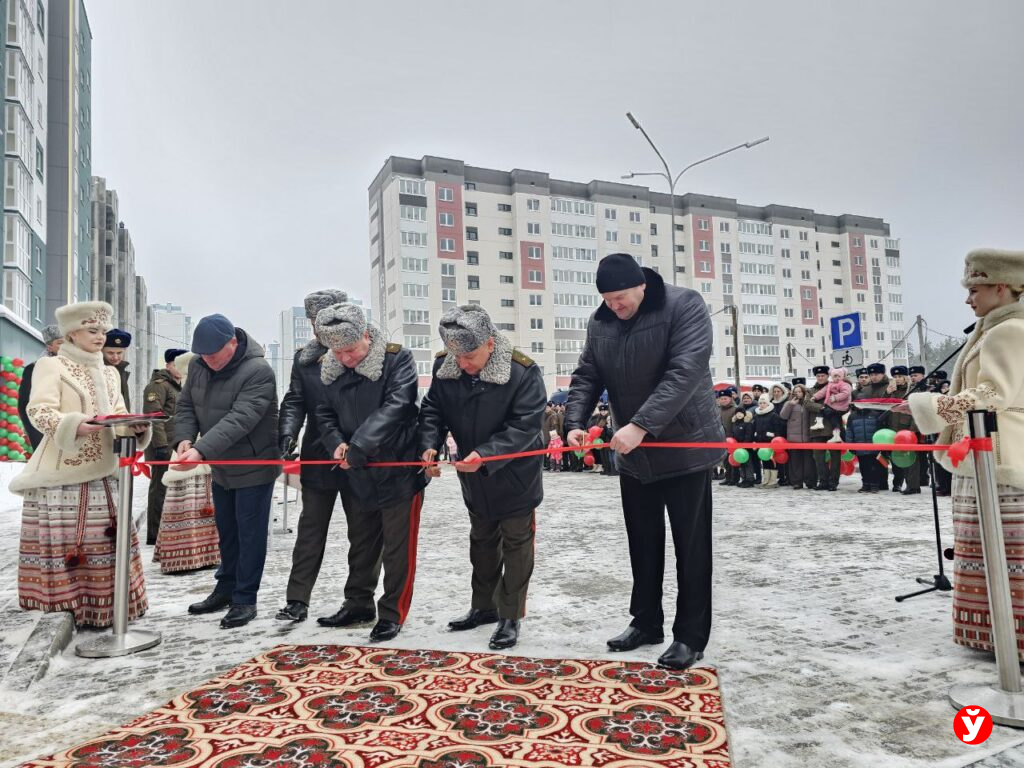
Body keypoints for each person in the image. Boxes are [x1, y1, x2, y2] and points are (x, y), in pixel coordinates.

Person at [565, 253, 724, 671]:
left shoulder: (683, 305)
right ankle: (646, 622)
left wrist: (640, 425)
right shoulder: (600, 323)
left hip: (684, 446)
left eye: (619, 298)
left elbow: (685, 372)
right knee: (643, 540)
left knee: (691, 546)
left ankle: (690, 636)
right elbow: (586, 376)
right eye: (607, 299)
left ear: (641, 286)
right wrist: (574, 422)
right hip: (634, 452)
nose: (614, 306)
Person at [904, 248, 1024, 659]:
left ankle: (1011, 640)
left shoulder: (1009, 331)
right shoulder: (993, 328)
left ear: (1002, 287)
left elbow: (994, 394)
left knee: (1006, 554)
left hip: (1002, 457)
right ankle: (997, 636)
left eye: (975, 288)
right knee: (987, 550)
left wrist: (931, 407)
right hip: (985, 453)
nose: (968, 298)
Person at [11, 301, 151, 627]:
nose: (100, 337)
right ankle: (70, 607)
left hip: (106, 472)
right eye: (93, 330)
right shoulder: (52, 366)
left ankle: (109, 609)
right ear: (72, 333)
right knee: (71, 544)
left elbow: (116, 414)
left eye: (102, 330)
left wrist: (134, 426)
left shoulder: (110, 372)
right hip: (63, 473)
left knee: (106, 541)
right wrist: (74, 424)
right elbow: (40, 411)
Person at [418, 305, 546, 651]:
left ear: (490, 344)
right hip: (473, 476)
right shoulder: (446, 367)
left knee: (516, 544)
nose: (463, 364)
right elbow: (432, 409)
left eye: (470, 356)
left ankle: (510, 615)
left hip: (513, 472)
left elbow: (525, 426)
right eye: (457, 356)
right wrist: (429, 445)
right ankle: (483, 606)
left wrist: (487, 455)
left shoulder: (523, 372)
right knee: (482, 542)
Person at [313, 303, 426, 643]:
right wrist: (336, 444)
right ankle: (358, 603)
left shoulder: (396, 359)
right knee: (361, 543)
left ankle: (392, 612)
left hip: (398, 469)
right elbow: (323, 412)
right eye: (338, 351)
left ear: (365, 336)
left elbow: (398, 406)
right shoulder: (330, 367)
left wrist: (359, 446)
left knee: (397, 548)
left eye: (350, 350)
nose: (345, 358)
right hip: (355, 471)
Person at [175, 314, 279, 630]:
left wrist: (202, 450)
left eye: (215, 355)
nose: (210, 362)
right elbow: (186, 406)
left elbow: (240, 419)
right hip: (221, 465)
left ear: (232, 342)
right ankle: (225, 588)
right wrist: (184, 438)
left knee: (250, 535)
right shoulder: (198, 366)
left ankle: (245, 599)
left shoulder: (258, 371)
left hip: (253, 464)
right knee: (227, 532)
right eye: (203, 357)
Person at [275, 289, 349, 624]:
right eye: (313, 321)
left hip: (356, 455)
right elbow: (295, 400)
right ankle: (297, 599)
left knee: (362, 532)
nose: (319, 327)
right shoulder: (304, 358)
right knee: (310, 531)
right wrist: (287, 431)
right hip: (318, 455)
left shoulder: (358, 350)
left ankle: (357, 600)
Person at [153, 353, 220, 574]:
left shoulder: (209, 388)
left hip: (205, 451)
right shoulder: (186, 391)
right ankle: (184, 556)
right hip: (187, 451)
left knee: (204, 500)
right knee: (186, 499)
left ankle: (206, 553)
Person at [141, 348, 188, 545]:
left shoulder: (179, 387)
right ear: (168, 365)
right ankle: (155, 534)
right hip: (162, 445)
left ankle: (168, 531)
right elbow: (154, 417)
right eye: (177, 364)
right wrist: (160, 445)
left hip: (175, 445)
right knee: (159, 489)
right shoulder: (158, 386)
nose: (182, 369)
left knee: (172, 489)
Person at [18, 324, 63, 450]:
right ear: (50, 346)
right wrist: (37, 436)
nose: (65, 346)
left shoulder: (75, 368)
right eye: (60, 342)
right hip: (44, 430)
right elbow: (24, 404)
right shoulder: (34, 368)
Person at [886, 365, 921, 495]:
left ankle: (913, 485)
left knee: (911, 458)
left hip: (908, 428)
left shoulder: (912, 391)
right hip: (894, 428)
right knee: (899, 458)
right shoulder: (892, 392)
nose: (898, 379)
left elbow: (916, 412)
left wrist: (912, 429)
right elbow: (886, 407)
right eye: (895, 377)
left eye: (900, 376)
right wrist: (888, 393)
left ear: (906, 377)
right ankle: (901, 484)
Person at [805, 365, 840, 491]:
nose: (820, 378)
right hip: (816, 428)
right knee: (818, 457)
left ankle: (833, 482)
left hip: (833, 427)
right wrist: (822, 408)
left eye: (823, 376)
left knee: (835, 457)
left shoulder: (835, 387)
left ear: (827, 376)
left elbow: (841, 401)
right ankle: (823, 481)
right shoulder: (810, 391)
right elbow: (807, 403)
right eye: (818, 376)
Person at [781, 384, 813, 489]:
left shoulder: (808, 403)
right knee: (795, 462)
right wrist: (790, 404)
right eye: (796, 392)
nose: (798, 393)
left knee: (808, 462)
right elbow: (783, 416)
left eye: (800, 391)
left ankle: (809, 481)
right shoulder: (789, 403)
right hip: (794, 439)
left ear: (804, 392)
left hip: (807, 437)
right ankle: (797, 482)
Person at [812, 367, 852, 442]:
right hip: (834, 406)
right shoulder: (830, 384)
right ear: (832, 377)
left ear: (842, 376)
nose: (837, 378)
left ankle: (820, 422)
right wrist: (815, 397)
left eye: (839, 376)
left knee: (823, 409)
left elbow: (846, 393)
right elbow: (823, 392)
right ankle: (836, 435)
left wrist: (835, 397)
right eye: (835, 376)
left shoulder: (844, 384)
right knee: (835, 421)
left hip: (840, 406)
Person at [102, 329, 133, 411]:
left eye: (119, 353)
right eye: (110, 353)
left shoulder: (122, 371)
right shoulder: (99, 371)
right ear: (102, 351)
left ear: (125, 351)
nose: (115, 357)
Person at [752, 394, 779, 487]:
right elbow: (754, 429)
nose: (762, 405)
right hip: (760, 442)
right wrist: (754, 440)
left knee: (771, 461)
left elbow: (777, 429)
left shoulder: (773, 415)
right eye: (760, 403)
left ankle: (773, 481)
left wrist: (775, 439)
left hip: (770, 442)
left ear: (768, 404)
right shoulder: (756, 416)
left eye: (764, 403)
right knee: (764, 460)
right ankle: (766, 479)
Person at [717, 388, 738, 486]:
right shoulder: (717, 410)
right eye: (721, 399)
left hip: (733, 438)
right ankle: (728, 477)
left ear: (730, 399)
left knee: (733, 459)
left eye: (725, 398)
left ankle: (735, 478)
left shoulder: (735, 409)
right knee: (725, 460)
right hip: (722, 438)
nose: (723, 400)